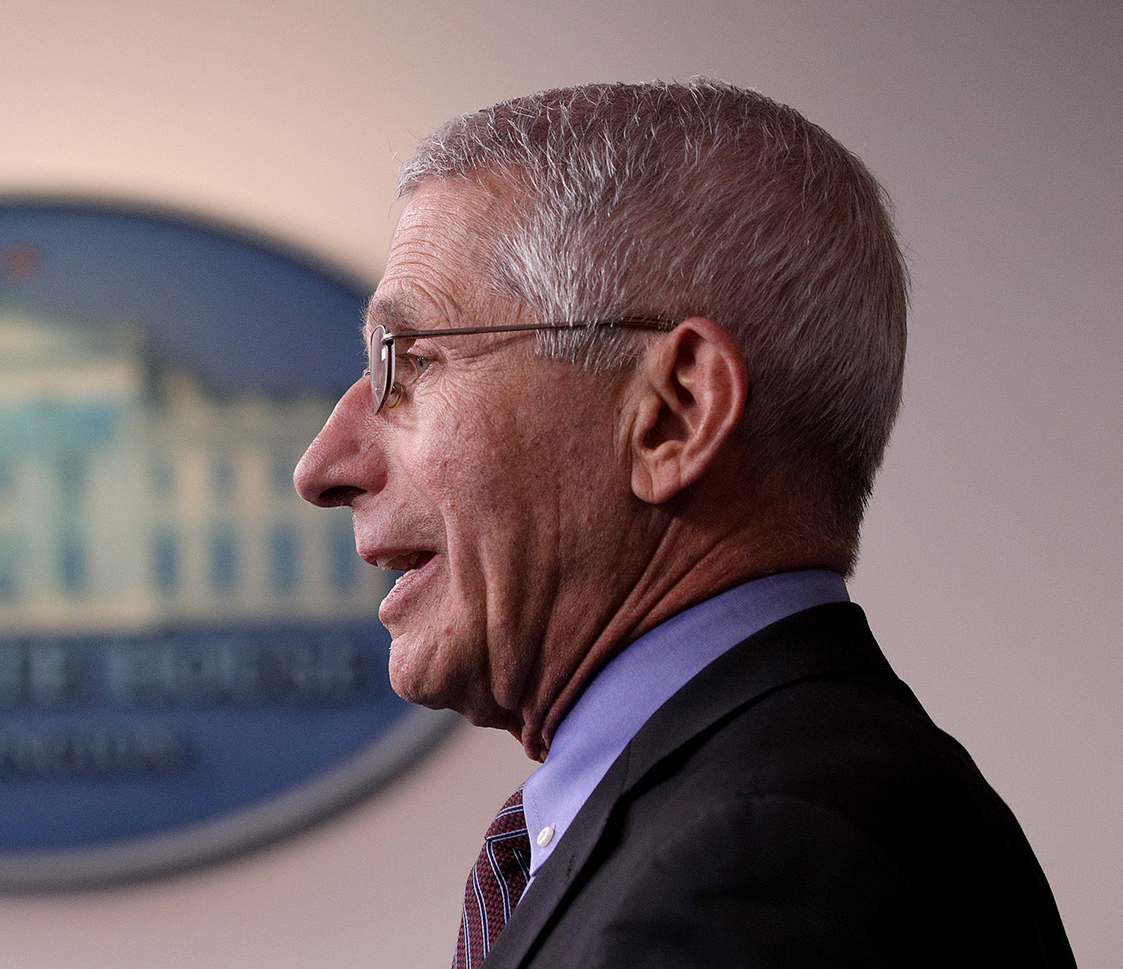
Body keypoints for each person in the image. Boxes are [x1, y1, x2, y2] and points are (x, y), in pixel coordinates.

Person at [294, 81, 1075, 968]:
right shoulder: (796, 807)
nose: (323, 466)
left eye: (412, 363)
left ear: (673, 413)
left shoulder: (759, 868)